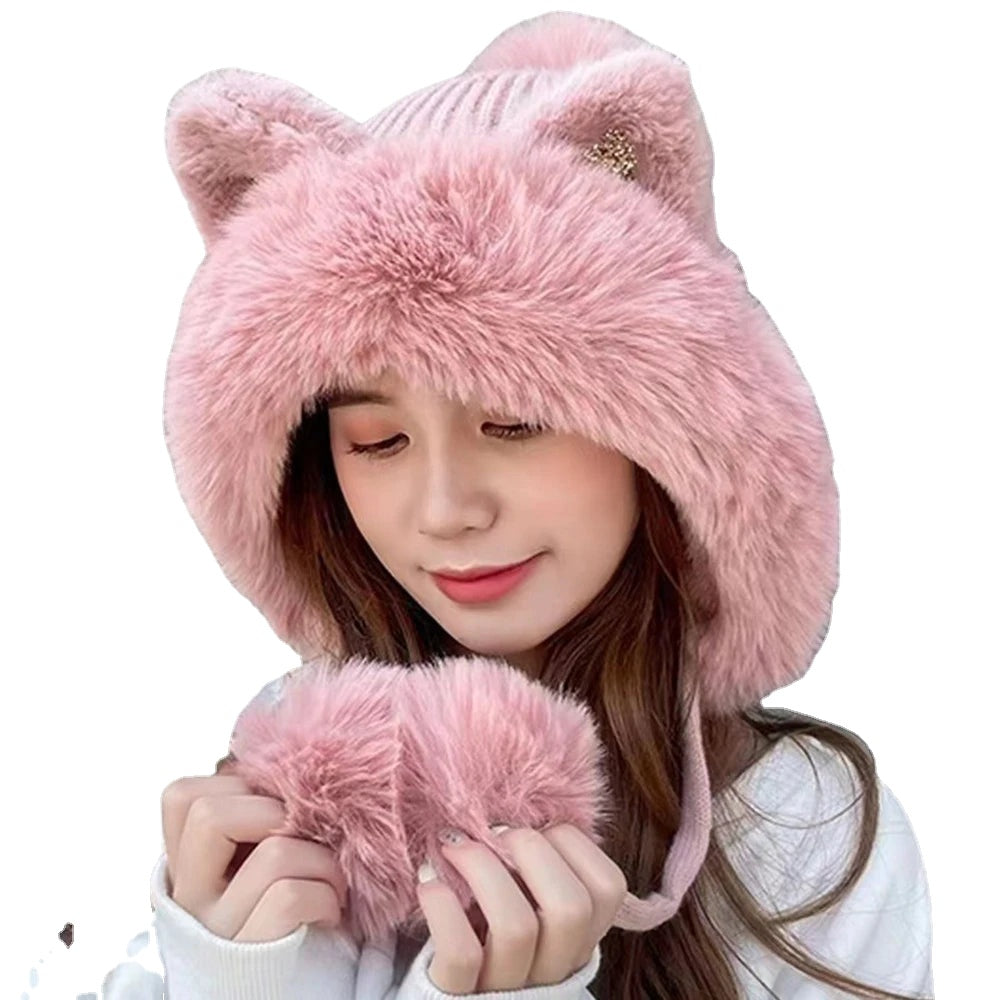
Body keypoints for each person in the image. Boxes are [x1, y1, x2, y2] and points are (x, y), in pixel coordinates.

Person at [24, 10, 934, 1000]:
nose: (445, 509)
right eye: (377, 440)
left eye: (514, 422)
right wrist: (226, 975)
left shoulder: (809, 828)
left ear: (666, 440)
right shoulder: (298, 785)